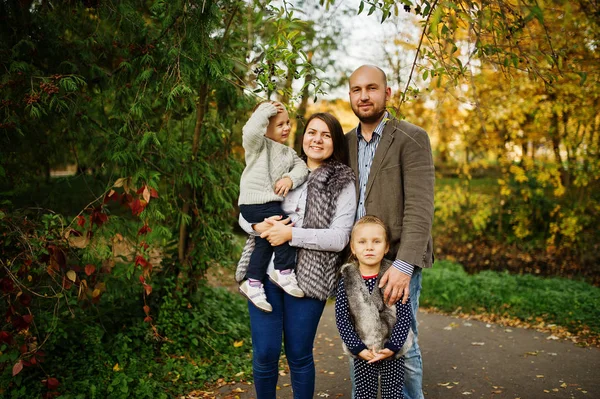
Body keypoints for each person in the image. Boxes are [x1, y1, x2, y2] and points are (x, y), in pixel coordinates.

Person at [236, 112, 357, 399]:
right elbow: (247, 208)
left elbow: (340, 238)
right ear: (302, 136)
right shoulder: (279, 164)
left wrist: (291, 235)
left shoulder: (342, 180)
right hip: (264, 272)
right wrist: (256, 226)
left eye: (326, 135)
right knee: (265, 353)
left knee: (299, 353)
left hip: (309, 279)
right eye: (312, 132)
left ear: (334, 142)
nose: (317, 139)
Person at [345, 65, 435, 399]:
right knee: (363, 346)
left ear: (388, 93)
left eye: (371, 88)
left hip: (396, 261)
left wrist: (403, 266)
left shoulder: (411, 137)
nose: (364, 96)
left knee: (403, 345)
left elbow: (420, 207)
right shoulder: (344, 143)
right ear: (350, 95)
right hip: (358, 263)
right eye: (356, 90)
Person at [237, 101, 309, 312]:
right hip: (254, 202)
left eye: (287, 123)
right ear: (265, 127)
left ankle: (253, 283)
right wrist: (265, 110)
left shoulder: (289, 153)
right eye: (279, 125)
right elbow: (250, 131)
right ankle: (284, 271)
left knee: (265, 243)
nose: (286, 128)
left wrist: (289, 179)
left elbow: (302, 168)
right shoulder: (257, 146)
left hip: (267, 204)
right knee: (283, 227)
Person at [336, 215, 414, 398]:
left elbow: (404, 316)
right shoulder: (347, 279)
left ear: (386, 247)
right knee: (364, 394)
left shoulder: (394, 277)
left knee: (392, 395)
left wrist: (393, 347)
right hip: (363, 350)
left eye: (376, 241)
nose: (369, 247)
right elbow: (342, 319)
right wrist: (357, 348)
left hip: (391, 350)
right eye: (362, 242)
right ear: (353, 248)